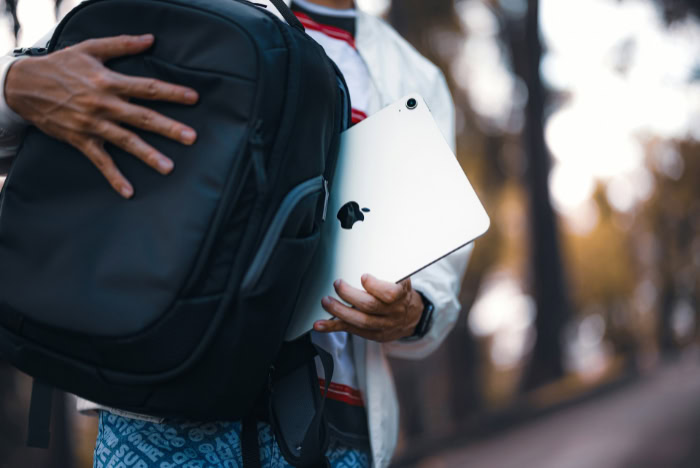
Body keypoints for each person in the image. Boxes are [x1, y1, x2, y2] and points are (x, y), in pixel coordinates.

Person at [0, 1, 472, 466]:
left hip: (334, 424)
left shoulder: (414, 75)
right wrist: (15, 83)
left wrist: (413, 313)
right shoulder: (171, 5)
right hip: (159, 411)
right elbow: (25, 103)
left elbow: (438, 277)